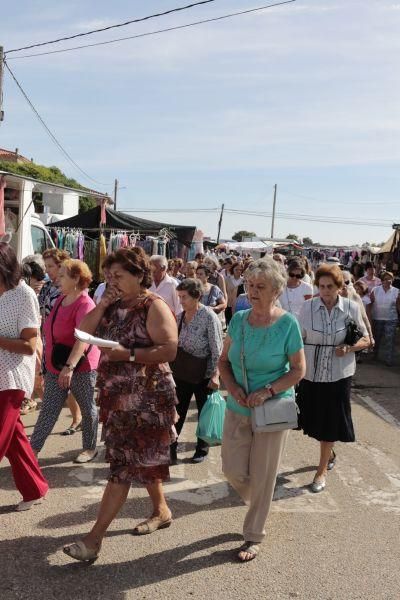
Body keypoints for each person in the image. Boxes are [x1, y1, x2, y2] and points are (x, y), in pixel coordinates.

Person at [63, 247, 178, 563]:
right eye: (109, 276)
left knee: (122, 469)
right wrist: (102, 303)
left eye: (119, 276)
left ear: (139, 276)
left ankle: (93, 540)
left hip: (148, 398)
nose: (112, 281)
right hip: (116, 396)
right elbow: (83, 332)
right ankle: (162, 510)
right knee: (141, 459)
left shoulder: (152, 306)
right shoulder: (111, 306)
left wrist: (129, 355)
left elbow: (169, 349)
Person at [218, 258, 305, 562]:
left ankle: (254, 534)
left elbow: (297, 370)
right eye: (250, 285)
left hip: (271, 410)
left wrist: (268, 391)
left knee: (264, 473)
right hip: (237, 405)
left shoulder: (288, 324)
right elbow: (223, 361)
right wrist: (232, 387)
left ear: (276, 291)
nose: (252, 291)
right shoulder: (239, 319)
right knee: (232, 469)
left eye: (260, 287)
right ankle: (258, 503)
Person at [297, 264, 369, 494]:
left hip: (339, 376)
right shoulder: (306, 308)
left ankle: (321, 471)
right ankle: (330, 452)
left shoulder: (351, 307)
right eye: (321, 286)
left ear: (339, 287)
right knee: (311, 420)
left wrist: (349, 347)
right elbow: (297, 340)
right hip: (312, 374)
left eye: (330, 286)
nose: (325, 291)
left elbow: (366, 339)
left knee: (330, 423)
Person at [30, 259, 100, 463]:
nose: (56, 279)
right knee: (49, 408)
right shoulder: (62, 298)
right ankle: (32, 451)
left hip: (80, 366)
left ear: (76, 278)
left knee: (87, 408)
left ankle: (89, 448)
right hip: (56, 363)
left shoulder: (85, 303)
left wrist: (69, 367)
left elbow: (83, 339)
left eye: (62, 276)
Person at [0, 243, 49, 511]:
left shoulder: (24, 294)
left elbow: (30, 345)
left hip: (12, 378)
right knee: (14, 439)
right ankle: (35, 489)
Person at [170, 278, 223, 465]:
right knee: (177, 411)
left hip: (204, 374)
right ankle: (171, 448)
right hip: (182, 372)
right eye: (179, 297)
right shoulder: (180, 317)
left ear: (197, 296)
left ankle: (202, 448)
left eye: (184, 297)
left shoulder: (209, 316)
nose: (181, 301)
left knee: (204, 412)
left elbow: (218, 349)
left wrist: (216, 375)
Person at [38, 248, 82, 435]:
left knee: (67, 384)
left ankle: (77, 417)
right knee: (48, 381)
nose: (47, 270)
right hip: (48, 341)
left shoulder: (70, 288)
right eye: (45, 266)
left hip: (66, 343)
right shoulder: (47, 286)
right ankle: (53, 416)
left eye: (51, 266)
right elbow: (40, 312)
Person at [370, 271, 400, 366]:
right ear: (382, 280)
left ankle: (389, 359)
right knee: (377, 338)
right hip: (377, 318)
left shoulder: (397, 291)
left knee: (389, 339)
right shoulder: (375, 290)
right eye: (386, 279)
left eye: (390, 278)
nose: (388, 281)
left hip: (391, 319)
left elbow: (398, 306)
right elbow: (370, 304)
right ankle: (375, 355)